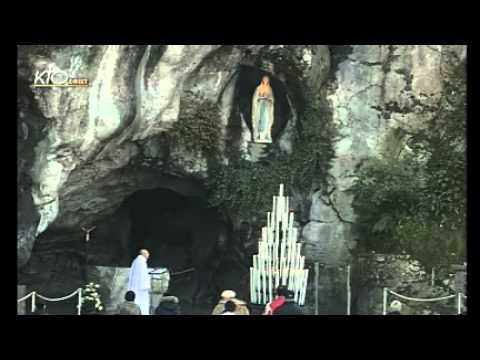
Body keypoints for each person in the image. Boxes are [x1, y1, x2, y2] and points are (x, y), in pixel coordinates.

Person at [128, 249, 151, 315]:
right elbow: (143, 276)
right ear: (143, 254)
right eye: (147, 254)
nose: (148, 256)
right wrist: (147, 286)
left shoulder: (135, 261)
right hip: (141, 289)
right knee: (142, 305)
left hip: (135, 287)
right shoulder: (142, 262)